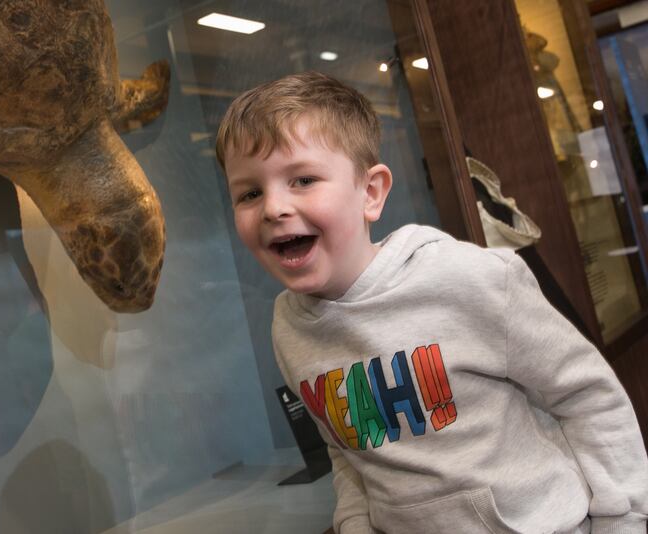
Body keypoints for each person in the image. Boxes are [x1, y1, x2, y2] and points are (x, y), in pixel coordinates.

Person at [215, 71, 648, 533]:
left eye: (302, 179)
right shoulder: (287, 326)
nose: (273, 208)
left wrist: (624, 519)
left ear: (370, 192)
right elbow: (344, 449)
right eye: (250, 193)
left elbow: (587, 395)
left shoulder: (472, 279)